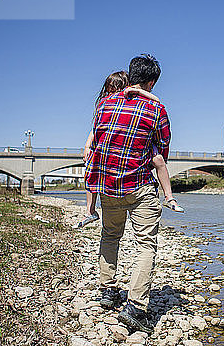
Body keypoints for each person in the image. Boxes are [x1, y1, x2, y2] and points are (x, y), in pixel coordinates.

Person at [84, 54, 169, 333]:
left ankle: (108, 292)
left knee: (110, 236)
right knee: (145, 244)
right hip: (139, 187)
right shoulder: (156, 109)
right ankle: (134, 307)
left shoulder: (105, 104)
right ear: (151, 81)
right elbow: (163, 148)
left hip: (108, 187)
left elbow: (97, 139)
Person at [76, 71, 184, 228]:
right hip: (127, 167)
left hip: (132, 152)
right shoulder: (108, 104)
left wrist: (139, 92)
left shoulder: (117, 102)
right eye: (109, 90)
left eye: (115, 89)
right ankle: (90, 211)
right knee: (91, 168)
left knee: (159, 161)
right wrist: (87, 146)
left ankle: (169, 197)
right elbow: (95, 129)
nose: (112, 94)